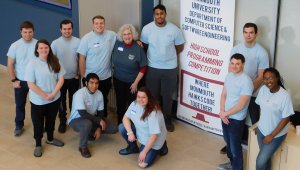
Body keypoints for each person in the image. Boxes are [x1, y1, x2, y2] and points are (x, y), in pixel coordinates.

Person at [221, 22, 269, 154]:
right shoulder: (236, 48)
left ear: (256, 34)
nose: (248, 35)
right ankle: (231, 145)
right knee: (233, 121)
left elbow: (261, 77)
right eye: (246, 32)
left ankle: (259, 149)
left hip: (253, 94)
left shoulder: (262, 52)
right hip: (236, 94)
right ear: (243, 33)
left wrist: (247, 92)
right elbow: (230, 70)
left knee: (255, 122)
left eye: (251, 32)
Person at [140, 4, 185, 132]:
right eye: (157, 14)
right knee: (153, 95)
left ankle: (167, 119)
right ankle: (154, 118)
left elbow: (179, 47)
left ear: (165, 14)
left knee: (167, 96)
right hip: (152, 67)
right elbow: (145, 45)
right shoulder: (147, 29)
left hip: (170, 68)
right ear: (154, 15)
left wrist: (167, 56)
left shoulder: (174, 30)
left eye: (162, 13)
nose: (159, 16)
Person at [24, 39, 65, 157]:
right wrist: (45, 96)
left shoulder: (55, 61)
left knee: (51, 120)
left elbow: (61, 78)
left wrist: (53, 94)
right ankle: (38, 144)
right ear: (37, 50)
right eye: (41, 48)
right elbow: (30, 84)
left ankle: (50, 139)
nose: (44, 50)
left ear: (49, 49)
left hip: (54, 98)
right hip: (38, 101)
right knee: (38, 122)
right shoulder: (32, 63)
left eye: (46, 47)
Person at [68, 73, 118, 158]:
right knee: (87, 124)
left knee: (113, 128)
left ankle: (90, 133)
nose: (94, 86)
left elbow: (101, 113)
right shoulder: (79, 94)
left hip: (92, 119)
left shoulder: (99, 94)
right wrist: (99, 121)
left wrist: (98, 127)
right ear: (86, 83)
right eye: (91, 83)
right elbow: (83, 114)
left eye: (96, 83)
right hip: (76, 120)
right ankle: (82, 147)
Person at [218, 54, 253, 170]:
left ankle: (237, 168)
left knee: (235, 147)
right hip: (225, 116)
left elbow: (241, 105)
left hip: (236, 119)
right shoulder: (229, 76)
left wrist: (225, 114)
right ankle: (232, 164)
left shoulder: (246, 81)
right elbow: (223, 94)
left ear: (242, 64)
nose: (234, 66)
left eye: (237, 64)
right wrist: (222, 111)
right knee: (228, 142)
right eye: (232, 63)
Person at [77, 15, 116, 118]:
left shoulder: (111, 35)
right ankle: (90, 121)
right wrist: (83, 76)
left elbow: (125, 37)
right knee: (90, 101)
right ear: (93, 25)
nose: (99, 25)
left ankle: (102, 119)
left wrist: (136, 41)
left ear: (104, 24)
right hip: (90, 78)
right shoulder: (86, 38)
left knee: (103, 99)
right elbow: (81, 58)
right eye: (97, 23)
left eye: (101, 23)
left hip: (105, 77)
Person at [118, 86, 168, 168]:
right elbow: (125, 118)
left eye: (144, 97)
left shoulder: (153, 112)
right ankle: (133, 148)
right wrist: (130, 133)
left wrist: (144, 152)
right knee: (122, 127)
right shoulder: (134, 104)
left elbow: (154, 136)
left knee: (142, 164)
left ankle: (162, 144)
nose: (140, 100)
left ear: (149, 98)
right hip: (141, 133)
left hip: (153, 140)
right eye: (138, 97)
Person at [255, 67, 294, 170]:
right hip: (261, 131)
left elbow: (286, 118)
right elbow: (262, 108)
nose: (268, 81)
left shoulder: (284, 96)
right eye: (265, 78)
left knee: (260, 162)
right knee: (266, 160)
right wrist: (259, 125)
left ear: (277, 78)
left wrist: (271, 135)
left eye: (271, 78)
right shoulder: (263, 90)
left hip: (276, 135)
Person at [112, 24, 148, 124]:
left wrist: (136, 83)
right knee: (120, 103)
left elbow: (143, 68)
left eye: (129, 34)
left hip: (133, 83)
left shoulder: (138, 48)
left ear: (133, 35)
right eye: (124, 34)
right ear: (121, 36)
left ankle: (132, 124)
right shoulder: (117, 44)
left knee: (133, 104)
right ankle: (121, 122)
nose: (127, 36)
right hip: (118, 80)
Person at [7, 21, 38, 136]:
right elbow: (10, 64)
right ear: (21, 32)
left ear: (33, 32)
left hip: (35, 81)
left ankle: (38, 124)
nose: (27, 34)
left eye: (30, 32)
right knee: (20, 105)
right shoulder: (15, 46)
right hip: (20, 81)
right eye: (25, 32)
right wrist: (14, 80)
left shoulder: (38, 44)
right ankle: (19, 125)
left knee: (37, 105)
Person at [51, 19, 80, 133]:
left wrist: (79, 74)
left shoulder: (78, 42)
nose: (67, 31)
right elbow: (52, 62)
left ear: (72, 29)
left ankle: (73, 121)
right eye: (64, 29)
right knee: (61, 102)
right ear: (60, 30)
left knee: (74, 101)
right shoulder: (55, 43)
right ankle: (63, 122)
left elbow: (81, 59)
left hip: (74, 78)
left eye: (69, 29)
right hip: (60, 79)